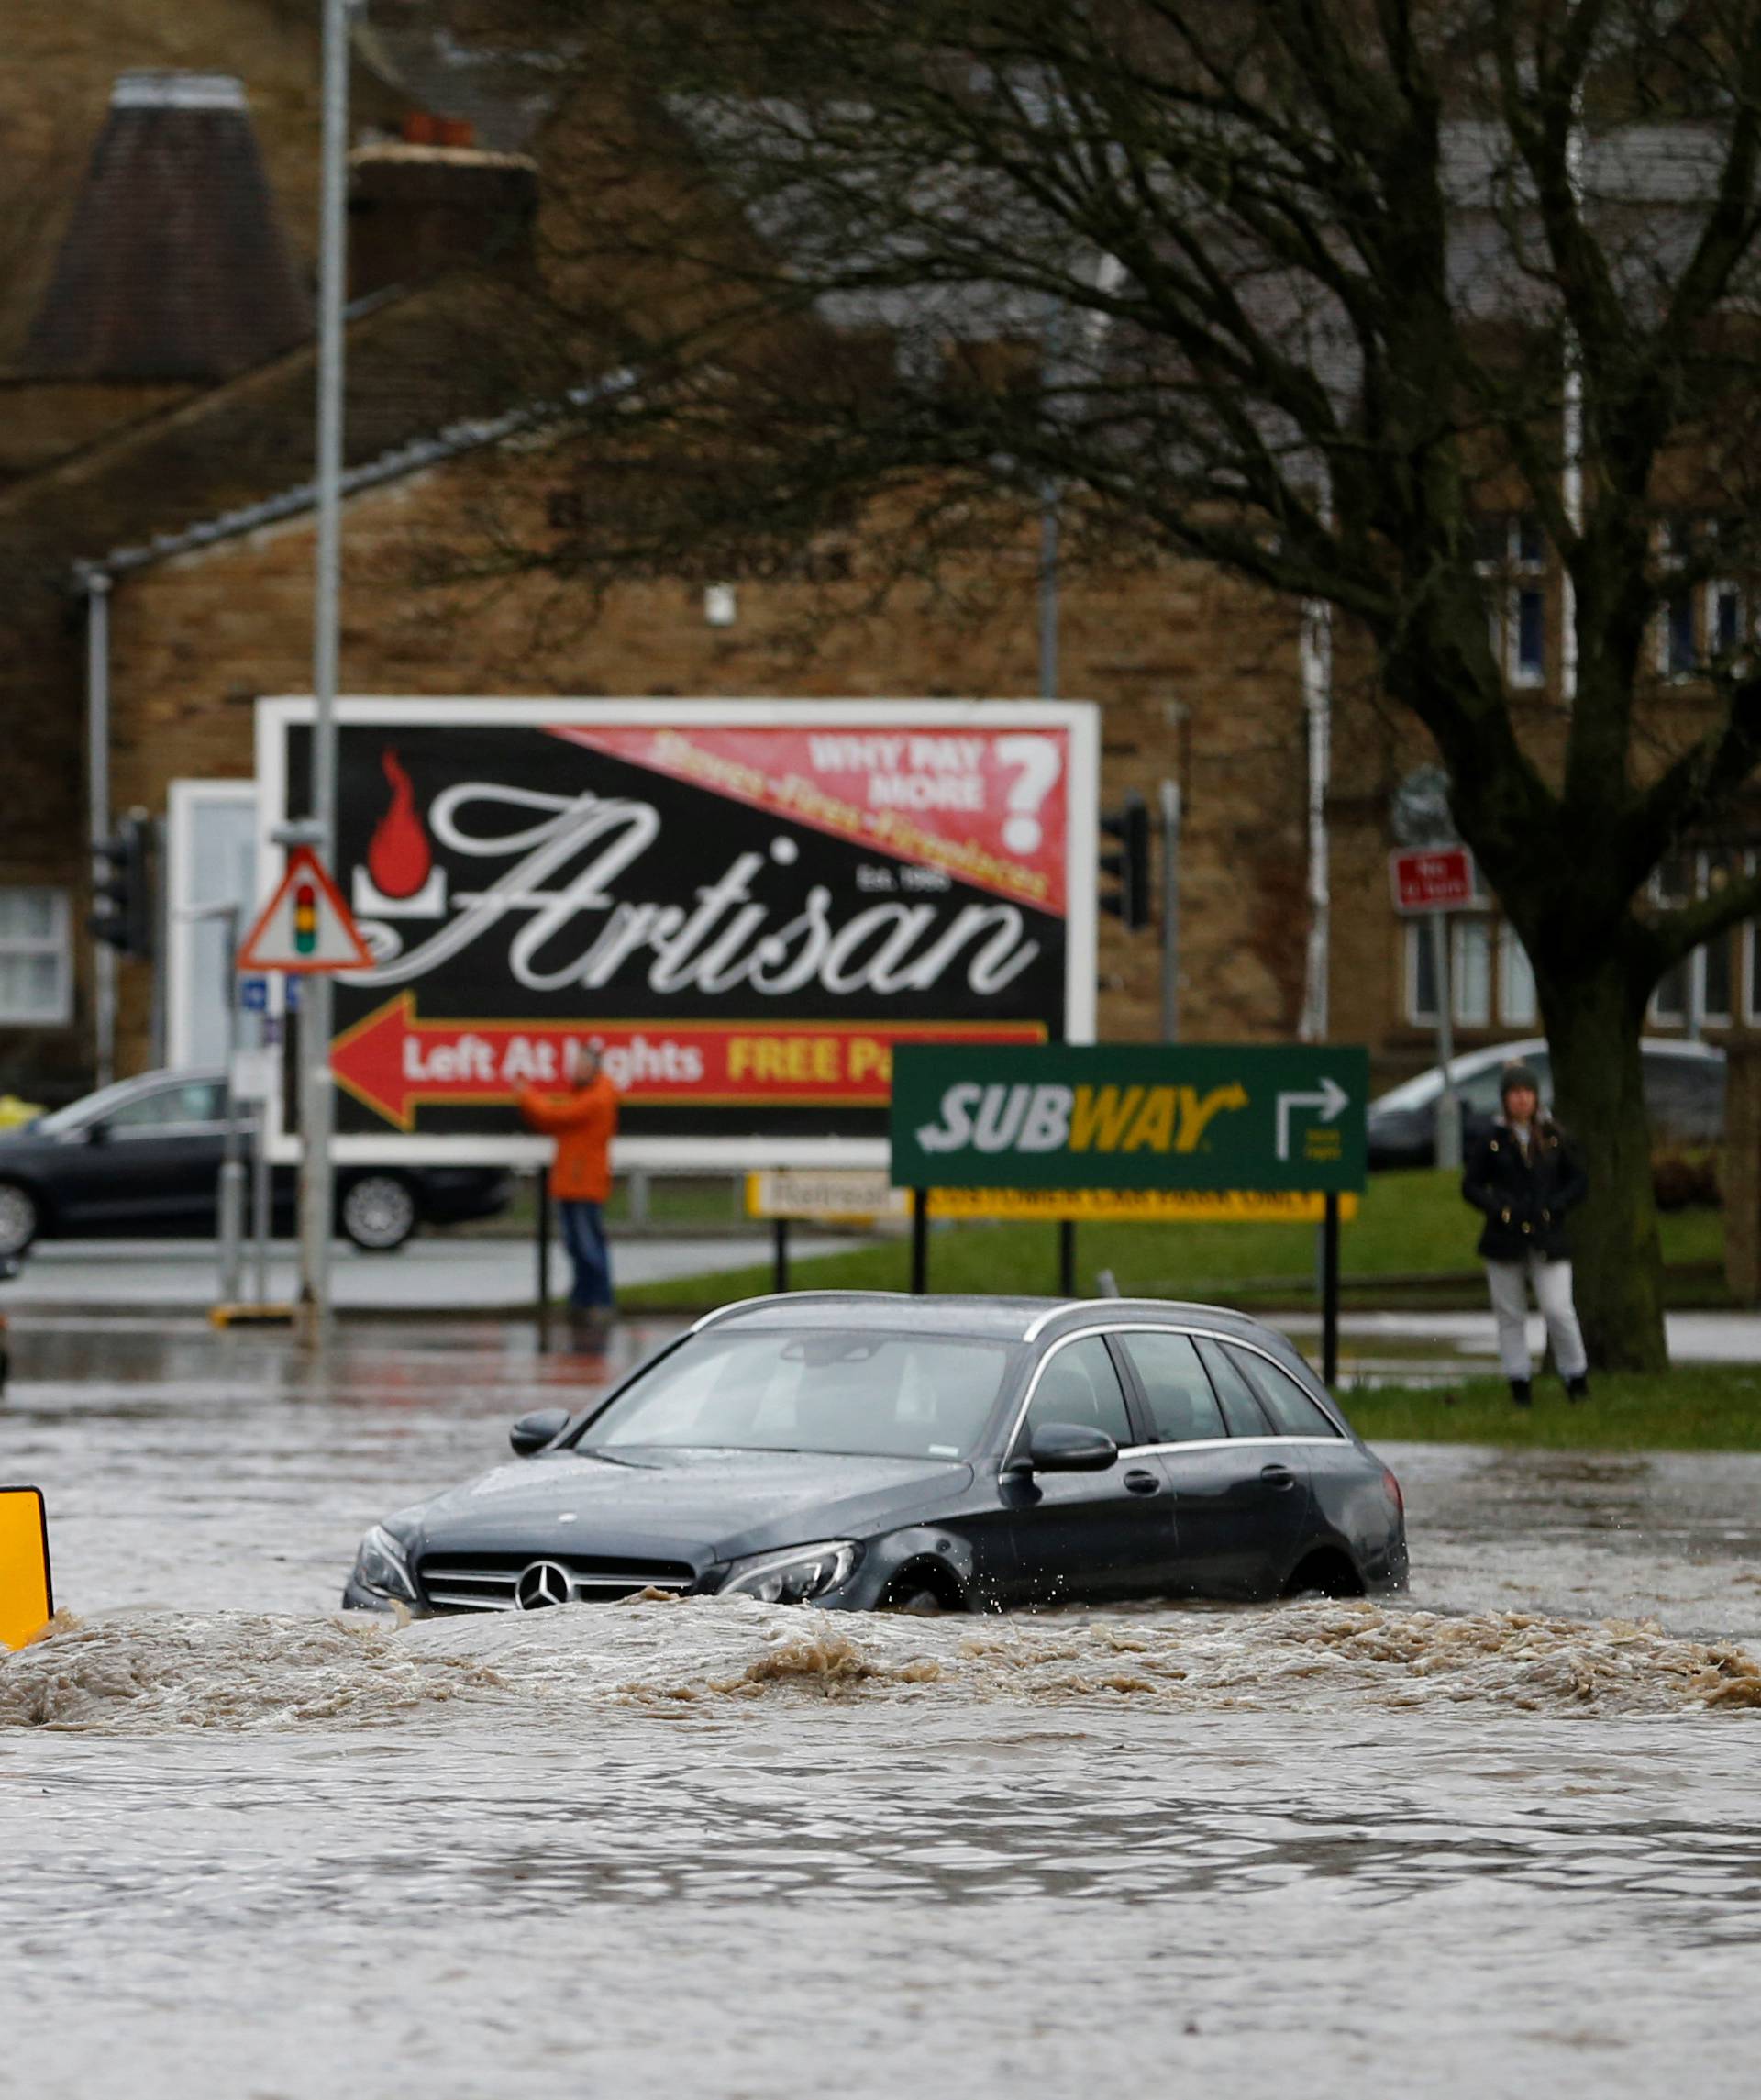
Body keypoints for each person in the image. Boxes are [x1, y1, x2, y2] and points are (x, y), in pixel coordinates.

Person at [1461, 1060, 1590, 1406]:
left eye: (1527, 1093)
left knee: (1559, 1309)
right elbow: (1471, 1186)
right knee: (1510, 1314)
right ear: (1505, 1098)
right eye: (1515, 1093)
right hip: (1504, 1238)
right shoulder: (1492, 1139)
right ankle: (1519, 1384)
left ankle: (1576, 1378)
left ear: (1536, 1097)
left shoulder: (1554, 1137)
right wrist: (1499, 1209)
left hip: (1549, 1236)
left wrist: (1554, 1207)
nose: (1521, 1100)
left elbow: (1578, 1181)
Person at [518, 1041, 618, 1331]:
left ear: (594, 1068)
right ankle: (582, 1300)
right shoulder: (583, 1093)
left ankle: (600, 1301)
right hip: (570, 1183)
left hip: (585, 1184)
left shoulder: (598, 1097)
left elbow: (556, 1115)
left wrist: (526, 1095)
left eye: (581, 1065)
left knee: (589, 1247)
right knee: (576, 1247)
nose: (574, 1070)